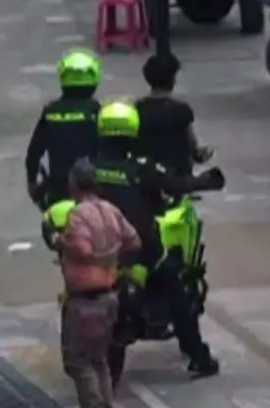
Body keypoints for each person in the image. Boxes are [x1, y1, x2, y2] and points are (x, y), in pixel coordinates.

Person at [90, 101, 224, 382]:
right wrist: (206, 181)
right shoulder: (140, 167)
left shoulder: (87, 167)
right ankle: (198, 357)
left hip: (95, 250)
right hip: (139, 250)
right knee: (178, 290)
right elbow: (177, 184)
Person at [56, 160, 141, 408]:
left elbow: (83, 249)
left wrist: (61, 241)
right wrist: (113, 255)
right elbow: (134, 241)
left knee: (78, 362)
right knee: (99, 360)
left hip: (85, 300)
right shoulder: (111, 210)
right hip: (108, 295)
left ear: (74, 184)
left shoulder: (79, 215)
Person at [25, 49, 103, 207]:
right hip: (91, 192)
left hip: (57, 191)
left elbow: (33, 153)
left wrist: (32, 182)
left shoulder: (51, 112)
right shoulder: (96, 111)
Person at [135, 54, 212, 180]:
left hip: (145, 177)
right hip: (178, 178)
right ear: (173, 79)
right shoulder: (181, 110)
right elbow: (192, 146)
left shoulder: (136, 109)